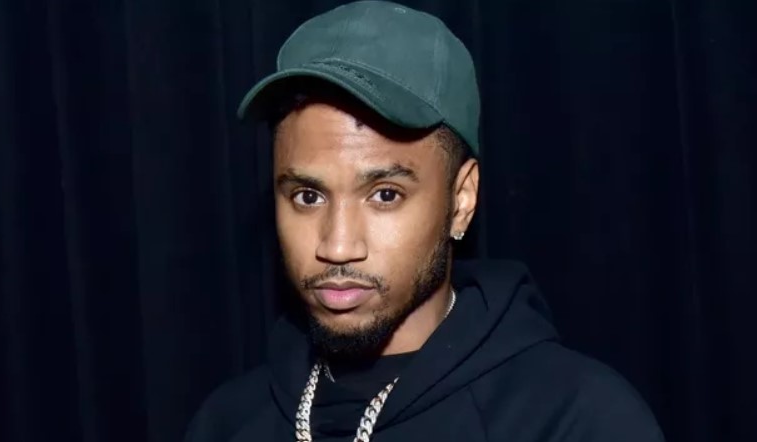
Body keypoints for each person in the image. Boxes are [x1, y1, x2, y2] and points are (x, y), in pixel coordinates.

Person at [184, 1, 664, 441]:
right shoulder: (226, 423)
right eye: (308, 196)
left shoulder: (577, 420)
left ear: (461, 199)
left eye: (385, 195)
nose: (337, 245)